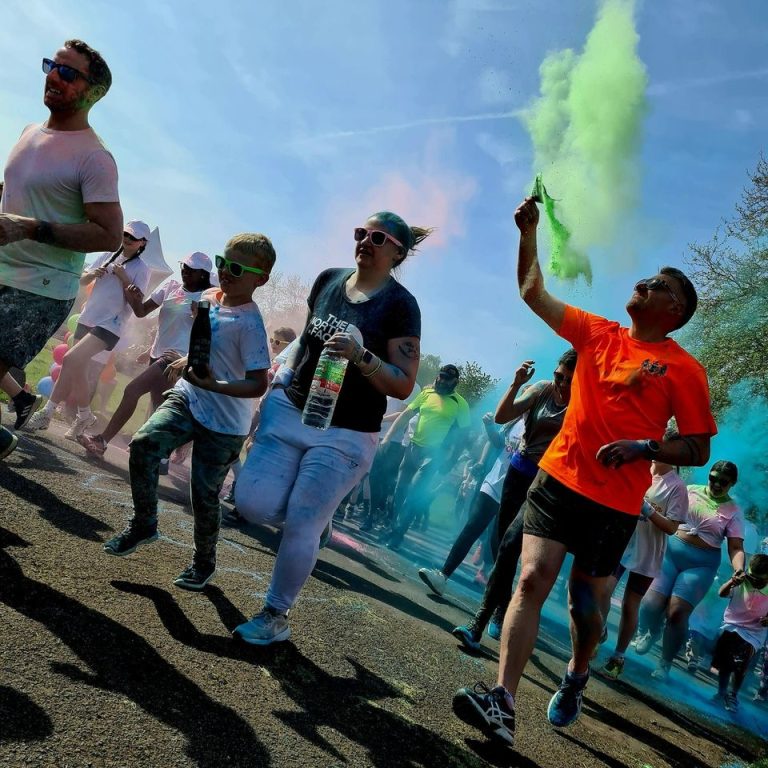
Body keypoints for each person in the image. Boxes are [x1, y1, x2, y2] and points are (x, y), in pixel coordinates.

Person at [453, 195, 716, 747]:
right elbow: (533, 293)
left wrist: (645, 446)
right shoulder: (598, 333)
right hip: (556, 481)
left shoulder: (684, 369)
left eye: (657, 285)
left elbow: (696, 449)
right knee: (529, 578)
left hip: (614, 504)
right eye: (644, 279)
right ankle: (502, 701)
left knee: (586, 607)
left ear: (676, 311)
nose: (643, 284)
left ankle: (577, 673)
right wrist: (528, 233)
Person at [232, 212, 426, 645]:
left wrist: (362, 356)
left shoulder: (400, 305)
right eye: (361, 233)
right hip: (295, 408)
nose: (366, 242)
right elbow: (305, 339)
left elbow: (405, 382)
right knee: (252, 505)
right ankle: (317, 519)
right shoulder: (328, 281)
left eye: (379, 238)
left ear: (397, 252)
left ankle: (274, 615)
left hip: (347, 432)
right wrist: (279, 380)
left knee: (301, 519)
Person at [102, 234, 274, 590]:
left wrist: (214, 384)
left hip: (226, 423)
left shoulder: (252, 325)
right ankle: (145, 524)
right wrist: (188, 359)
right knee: (145, 443)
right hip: (189, 397)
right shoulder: (210, 297)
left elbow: (258, 384)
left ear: (260, 278)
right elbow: (204, 338)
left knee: (203, 496)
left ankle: (203, 563)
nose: (225, 272)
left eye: (237, 268)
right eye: (223, 262)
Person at [0, 40, 121, 459]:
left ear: (92, 91)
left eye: (68, 72)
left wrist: (30, 229)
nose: (53, 75)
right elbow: (15, 194)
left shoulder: (95, 158)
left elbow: (109, 235)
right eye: (52, 65)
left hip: (41, 288)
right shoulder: (29, 132)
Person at [420, 352, 575, 603]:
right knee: (473, 525)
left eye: (569, 380)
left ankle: (499, 603)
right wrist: (515, 385)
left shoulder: (576, 408)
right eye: (559, 376)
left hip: (533, 487)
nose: (562, 384)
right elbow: (501, 422)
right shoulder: (528, 407)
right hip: (500, 479)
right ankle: (443, 575)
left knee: (503, 545)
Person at [78, 251, 213, 457]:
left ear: (203, 274)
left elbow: (212, 335)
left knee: (132, 390)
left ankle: (102, 440)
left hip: (177, 359)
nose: (184, 271)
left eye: (191, 270)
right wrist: (131, 291)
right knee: (159, 407)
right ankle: (170, 446)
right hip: (157, 353)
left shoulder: (207, 299)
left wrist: (199, 318)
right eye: (184, 266)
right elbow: (141, 311)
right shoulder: (171, 287)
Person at [26, 221, 151, 438]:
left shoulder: (142, 269)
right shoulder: (109, 254)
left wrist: (123, 278)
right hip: (88, 317)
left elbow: (136, 303)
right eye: (126, 234)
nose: (128, 239)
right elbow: (82, 281)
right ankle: (79, 416)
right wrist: (94, 273)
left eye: (133, 237)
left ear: (142, 243)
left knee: (71, 360)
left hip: (110, 325)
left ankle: (52, 412)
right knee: (73, 366)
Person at [635, 461, 745, 681]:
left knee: (676, 613)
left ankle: (665, 664)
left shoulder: (734, 512)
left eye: (723, 482)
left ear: (732, 483)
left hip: (701, 565)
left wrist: (739, 568)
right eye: (713, 478)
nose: (716, 484)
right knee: (649, 604)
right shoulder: (691, 490)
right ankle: (652, 631)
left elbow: (735, 547)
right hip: (670, 554)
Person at [600, 424, 689, 680]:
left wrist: (647, 510)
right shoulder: (641, 466)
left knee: (630, 606)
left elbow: (672, 528)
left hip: (648, 552)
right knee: (603, 590)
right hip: (623, 541)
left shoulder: (677, 487)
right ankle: (600, 629)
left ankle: (618, 657)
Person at [381, 365, 471, 550]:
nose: (442, 381)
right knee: (400, 490)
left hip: (434, 454)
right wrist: (388, 437)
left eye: (447, 379)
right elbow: (405, 415)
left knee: (414, 492)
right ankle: (393, 527)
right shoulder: (427, 394)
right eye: (441, 377)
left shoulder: (460, 403)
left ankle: (398, 534)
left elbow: (463, 437)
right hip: (413, 448)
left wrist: (452, 460)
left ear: (455, 382)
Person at [711, 554, 768, 711]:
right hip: (731, 625)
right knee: (725, 662)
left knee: (741, 662)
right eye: (753, 577)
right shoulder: (741, 581)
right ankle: (721, 693)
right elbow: (721, 593)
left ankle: (732, 695)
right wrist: (731, 582)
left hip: (753, 633)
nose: (755, 582)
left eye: (760, 580)